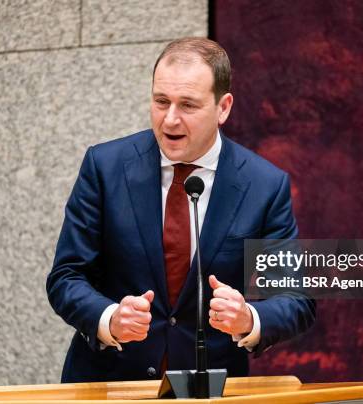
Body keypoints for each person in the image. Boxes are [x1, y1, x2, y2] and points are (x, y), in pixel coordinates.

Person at [46, 37, 316, 383]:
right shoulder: (105, 167)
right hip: (110, 385)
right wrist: (109, 318)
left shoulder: (264, 186)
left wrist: (249, 318)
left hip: (209, 389)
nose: (170, 120)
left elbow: (296, 299)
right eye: (161, 102)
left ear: (223, 108)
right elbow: (66, 276)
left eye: (188, 105)